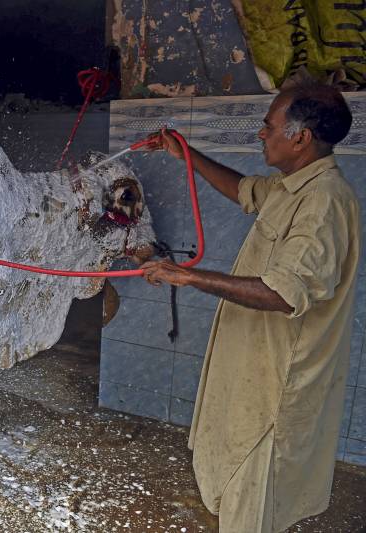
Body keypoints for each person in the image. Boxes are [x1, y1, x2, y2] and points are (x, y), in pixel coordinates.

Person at [140, 81, 360, 532]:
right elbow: (244, 190)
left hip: (277, 380)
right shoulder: (292, 186)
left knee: (252, 493)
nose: (262, 135)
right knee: (233, 472)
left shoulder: (322, 203)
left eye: (269, 126)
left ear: (299, 138)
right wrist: (186, 154)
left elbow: (283, 293)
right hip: (253, 367)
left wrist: (188, 276)